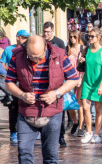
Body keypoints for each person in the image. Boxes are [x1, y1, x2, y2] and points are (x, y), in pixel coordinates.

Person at [5, 35, 79, 163]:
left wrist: (56, 93)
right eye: (31, 57)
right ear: (25, 49)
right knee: (24, 153)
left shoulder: (59, 55)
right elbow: (9, 83)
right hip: (26, 112)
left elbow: (73, 78)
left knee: (50, 155)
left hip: (52, 111)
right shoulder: (17, 56)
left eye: (39, 57)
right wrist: (22, 95)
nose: (35, 60)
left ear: (45, 47)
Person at [79, 28, 102, 144]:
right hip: (87, 81)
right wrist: (81, 60)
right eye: (89, 36)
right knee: (85, 107)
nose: (90, 38)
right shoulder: (86, 49)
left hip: (98, 82)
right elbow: (84, 64)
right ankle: (89, 132)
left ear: (98, 37)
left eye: (92, 36)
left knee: (98, 109)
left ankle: (97, 133)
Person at [0, 30, 29, 144]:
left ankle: (27, 131)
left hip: (24, 82)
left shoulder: (27, 49)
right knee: (13, 107)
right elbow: (2, 63)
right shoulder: (8, 49)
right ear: (17, 37)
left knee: (26, 106)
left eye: (27, 38)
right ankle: (13, 132)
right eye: (23, 37)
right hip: (12, 82)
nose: (25, 40)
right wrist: (10, 71)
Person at [66, 30, 85, 138]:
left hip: (79, 77)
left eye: (74, 37)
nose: (72, 39)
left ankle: (81, 127)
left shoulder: (83, 48)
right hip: (69, 78)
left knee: (79, 103)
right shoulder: (67, 48)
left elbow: (85, 65)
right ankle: (75, 121)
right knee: (69, 103)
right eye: (71, 37)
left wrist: (81, 78)